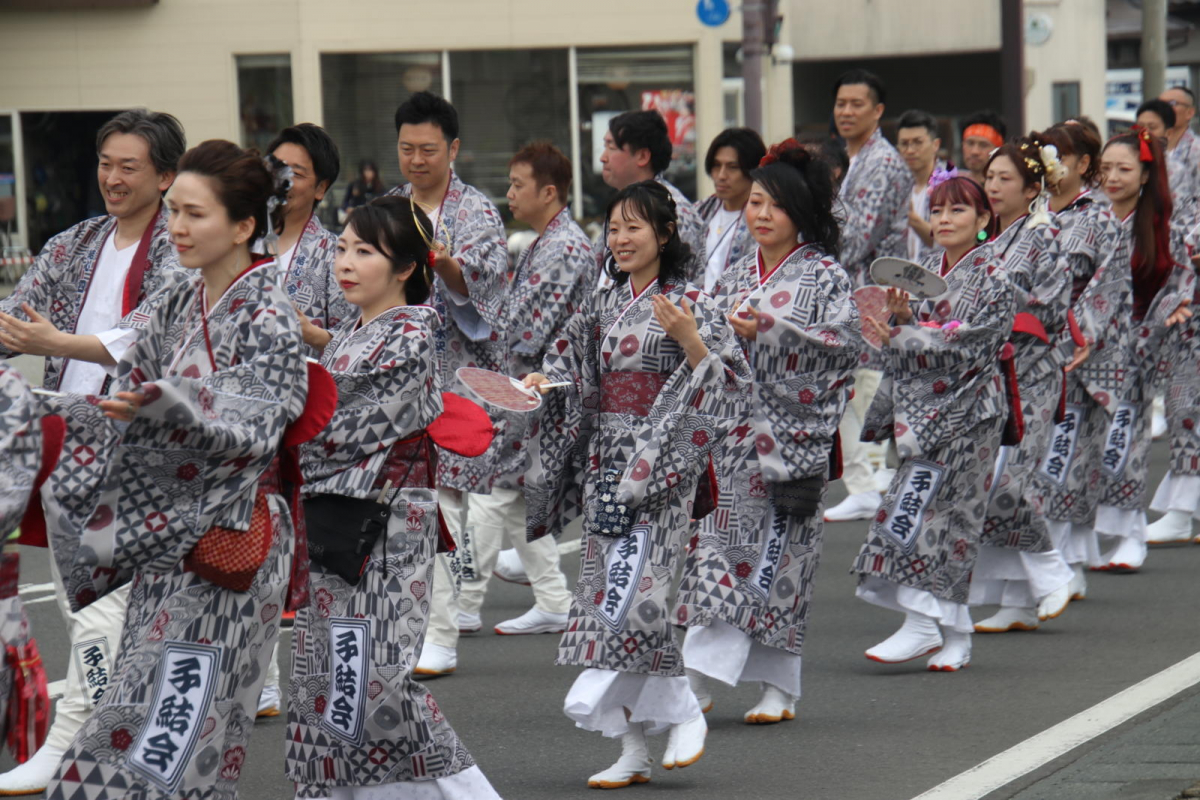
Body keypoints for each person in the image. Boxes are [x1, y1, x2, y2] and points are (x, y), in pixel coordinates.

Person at [46, 139, 308, 799]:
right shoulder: (172, 297)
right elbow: (127, 398)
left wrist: (179, 410)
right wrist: (58, 409)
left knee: (187, 721)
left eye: (196, 214)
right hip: (166, 531)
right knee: (137, 707)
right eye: (175, 213)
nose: (178, 228)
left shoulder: (269, 311)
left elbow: (259, 420)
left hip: (233, 529)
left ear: (244, 226)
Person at [523, 181, 751, 789]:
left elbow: (733, 385)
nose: (619, 239)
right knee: (607, 603)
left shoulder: (693, 300)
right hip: (608, 464)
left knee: (637, 601)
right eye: (613, 227)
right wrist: (544, 384)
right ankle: (633, 747)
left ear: (665, 235)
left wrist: (691, 340)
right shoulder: (601, 305)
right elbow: (572, 368)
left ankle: (681, 710)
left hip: (663, 468)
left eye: (634, 228)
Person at [286, 197, 501, 799]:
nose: (345, 263)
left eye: (364, 252)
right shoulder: (353, 337)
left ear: (406, 267)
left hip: (383, 529)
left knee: (373, 678)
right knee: (329, 672)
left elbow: (331, 426)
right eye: (342, 248)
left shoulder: (410, 337)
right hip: (342, 520)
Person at [0, 108, 186, 794]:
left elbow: (150, 335)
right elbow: (18, 320)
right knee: (104, 608)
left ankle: (80, 738)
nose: (112, 177)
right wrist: (22, 338)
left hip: (144, 447)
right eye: (106, 163)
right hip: (69, 442)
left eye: (128, 166)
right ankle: (109, 735)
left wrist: (58, 345)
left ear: (165, 176)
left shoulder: (179, 245)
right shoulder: (74, 242)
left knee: (106, 605)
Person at [676, 141, 859, 725]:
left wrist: (771, 331)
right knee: (716, 554)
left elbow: (843, 348)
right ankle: (697, 679)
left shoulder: (825, 275)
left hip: (788, 440)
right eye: (755, 202)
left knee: (783, 564)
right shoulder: (732, 272)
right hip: (729, 442)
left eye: (774, 205)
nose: (759, 214)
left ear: (799, 214)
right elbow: (707, 341)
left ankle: (777, 687)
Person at [852, 174, 1014, 672]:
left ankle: (954, 633)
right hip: (922, 415)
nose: (943, 220)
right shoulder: (920, 270)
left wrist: (909, 334)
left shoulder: (997, 277)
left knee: (954, 520)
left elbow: (973, 343)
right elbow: (909, 340)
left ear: (984, 220)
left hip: (971, 414)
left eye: (957, 211)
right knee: (906, 511)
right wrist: (898, 325)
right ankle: (923, 623)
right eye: (937, 210)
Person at [383, 92, 511, 678]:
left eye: (427, 149)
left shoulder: (477, 212)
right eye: (407, 148)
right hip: (393, 377)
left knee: (445, 506)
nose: (416, 159)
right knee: (398, 507)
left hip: (453, 375)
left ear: (453, 149)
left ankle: (442, 630)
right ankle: (407, 625)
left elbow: (483, 290)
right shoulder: (387, 207)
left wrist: (442, 261)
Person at [446, 142, 587, 640]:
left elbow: (526, 329)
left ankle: (463, 604)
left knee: (493, 493)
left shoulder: (564, 248)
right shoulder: (545, 241)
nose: (508, 194)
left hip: (538, 387)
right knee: (517, 494)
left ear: (548, 192)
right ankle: (553, 599)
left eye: (517, 185)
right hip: (531, 385)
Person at [968, 140, 1076, 633]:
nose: (992, 186)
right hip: (992, 377)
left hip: (1030, 374)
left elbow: (1052, 308)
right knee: (987, 481)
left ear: (1034, 188)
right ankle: (1015, 601)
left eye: (1004, 178)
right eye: (989, 177)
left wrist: (997, 313)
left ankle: (1053, 568)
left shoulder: (1044, 234)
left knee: (1008, 484)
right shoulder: (989, 240)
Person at [1026, 121, 1127, 608]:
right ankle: (1062, 564)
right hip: (1034, 351)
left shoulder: (1098, 218)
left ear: (1084, 164)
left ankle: (1062, 566)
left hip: (1083, 353)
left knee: (1066, 459)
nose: (1050, 164)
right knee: (1041, 460)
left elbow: (1108, 284)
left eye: (1059, 155)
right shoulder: (1033, 213)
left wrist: (1080, 332)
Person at [1088, 128, 1194, 571]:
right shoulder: (1092, 218)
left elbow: (1182, 283)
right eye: (1105, 168)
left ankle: (1130, 533)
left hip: (1144, 344)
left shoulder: (1167, 224)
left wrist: (1152, 327)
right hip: (1090, 346)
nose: (1111, 177)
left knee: (1124, 439)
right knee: (1084, 446)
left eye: (1123, 169)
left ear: (1146, 173)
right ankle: (1083, 539)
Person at [825, 69, 913, 523]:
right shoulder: (849, 157)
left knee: (864, 388)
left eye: (856, 104)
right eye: (841, 103)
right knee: (854, 387)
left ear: (877, 111)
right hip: (852, 287)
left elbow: (858, 237)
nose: (845, 111)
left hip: (876, 289)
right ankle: (864, 479)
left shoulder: (883, 162)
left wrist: (814, 255)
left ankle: (870, 480)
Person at [263, 123, 353, 352]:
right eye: (276, 167)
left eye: (296, 173)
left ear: (321, 188)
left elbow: (355, 345)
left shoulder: (337, 256)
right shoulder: (238, 239)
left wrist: (313, 335)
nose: (282, 179)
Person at [598, 110, 706, 284]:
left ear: (642, 156)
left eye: (611, 148)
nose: (603, 158)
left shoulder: (672, 208)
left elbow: (677, 286)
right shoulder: (622, 203)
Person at [695, 127, 765, 292]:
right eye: (716, 165)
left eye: (732, 167)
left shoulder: (765, 217)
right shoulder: (699, 212)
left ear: (752, 169)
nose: (721, 175)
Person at [896, 110, 945, 263]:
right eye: (904, 144)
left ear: (935, 144)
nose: (910, 150)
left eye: (918, 142)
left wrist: (912, 220)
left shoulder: (949, 184)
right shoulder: (896, 185)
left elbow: (949, 242)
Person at [1160, 86, 1200, 228]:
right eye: (1160, 104)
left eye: (1171, 104)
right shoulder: (1149, 148)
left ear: (1190, 112)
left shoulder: (1196, 149)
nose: (1163, 109)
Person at [959, 111, 1007, 186]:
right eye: (970, 143)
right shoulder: (953, 186)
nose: (975, 152)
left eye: (983, 145)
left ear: (998, 150)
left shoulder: (1006, 188)